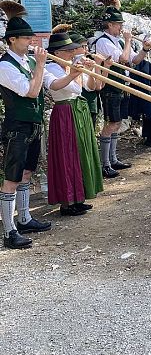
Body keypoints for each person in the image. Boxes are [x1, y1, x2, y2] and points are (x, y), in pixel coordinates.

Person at [0, 5, 86, 249]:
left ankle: (24, 218)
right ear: (12, 40)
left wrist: (74, 73)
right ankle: (9, 231)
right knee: (12, 178)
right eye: (26, 38)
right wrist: (40, 64)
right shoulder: (4, 66)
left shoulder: (29, 60)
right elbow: (32, 91)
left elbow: (54, 85)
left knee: (27, 173)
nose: (31, 41)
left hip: (33, 124)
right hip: (17, 126)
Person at [45, 33, 104, 217]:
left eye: (72, 50)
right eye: (68, 50)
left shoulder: (71, 66)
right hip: (64, 111)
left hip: (79, 110)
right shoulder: (50, 68)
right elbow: (57, 86)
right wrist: (74, 73)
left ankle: (80, 197)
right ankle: (67, 201)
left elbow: (91, 87)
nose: (72, 53)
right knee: (66, 154)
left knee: (81, 152)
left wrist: (92, 70)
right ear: (57, 52)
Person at [93, 6, 151, 178]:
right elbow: (123, 59)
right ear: (110, 25)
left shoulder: (118, 41)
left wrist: (145, 49)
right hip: (111, 87)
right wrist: (128, 41)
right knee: (112, 123)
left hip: (122, 86)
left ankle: (113, 159)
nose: (121, 28)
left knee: (118, 124)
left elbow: (134, 60)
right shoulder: (103, 41)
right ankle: (105, 163)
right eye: (118, 24)